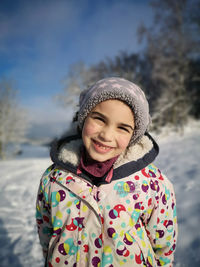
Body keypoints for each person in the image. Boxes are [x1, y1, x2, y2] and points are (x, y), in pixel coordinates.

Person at [36, 77, 178, 267]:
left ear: (133, 136)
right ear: (83, 118)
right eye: (99, 119)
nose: (106, 135)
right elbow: (46, 233)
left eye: (123, 128)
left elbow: (164, 243)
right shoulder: (53, 179)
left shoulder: (152, 182)